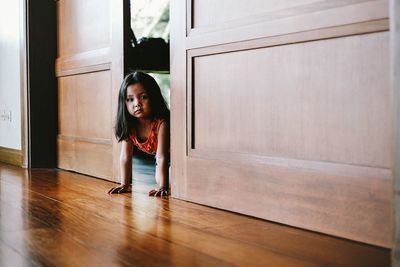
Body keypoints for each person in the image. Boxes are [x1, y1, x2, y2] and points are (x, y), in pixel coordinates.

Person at [108, 71, 170, 197]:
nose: (137, 104)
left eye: (143, 97)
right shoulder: (130, 125)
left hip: (173, 158)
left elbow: (162, 157)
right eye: (130, 99)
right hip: (159, 160)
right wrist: (124, 184)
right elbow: (125, 156)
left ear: (153, 97)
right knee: (160, 178)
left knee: (168, 180)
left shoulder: (161, 123)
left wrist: (163, 187)